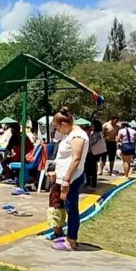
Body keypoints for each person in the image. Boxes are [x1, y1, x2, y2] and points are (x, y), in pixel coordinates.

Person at [50, 107, 88, 251]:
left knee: (72, 209)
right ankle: (69, 237)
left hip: (72, 178)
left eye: (58, 128)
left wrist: (66, 180)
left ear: (64, 124)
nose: (59, 131)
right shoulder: (71, 134)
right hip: (67, 177)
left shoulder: (77, 136)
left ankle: (71, 240)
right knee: (69, 207)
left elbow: (76, 158)